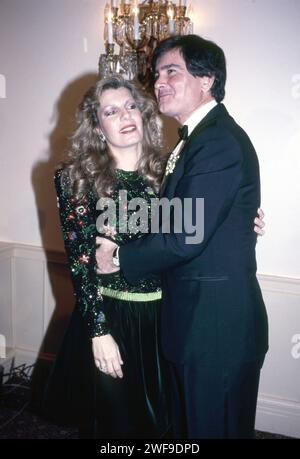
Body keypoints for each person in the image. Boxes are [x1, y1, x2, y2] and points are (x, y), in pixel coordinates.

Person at [95, 35, 268, 439]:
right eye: (157, 74)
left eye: (172, 71)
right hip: (194, 326)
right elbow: (190, 219)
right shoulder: (196, 140)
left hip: (216, 331)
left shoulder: (218, 142)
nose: (159, 82)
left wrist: (118, 257)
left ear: (206, 79)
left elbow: (185, 235)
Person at [43, 75, 170, 439]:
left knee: (160, 425)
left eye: (131, 106)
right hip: (111, 316)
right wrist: (99, 333)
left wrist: (245, 222)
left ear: (144, 114)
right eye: (111, 111)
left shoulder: (170, 172)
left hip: (165, 317)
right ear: (97, 127)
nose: (125, 116)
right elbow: (81, 265)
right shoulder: (76, 178)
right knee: (115, 425)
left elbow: (191, 235)